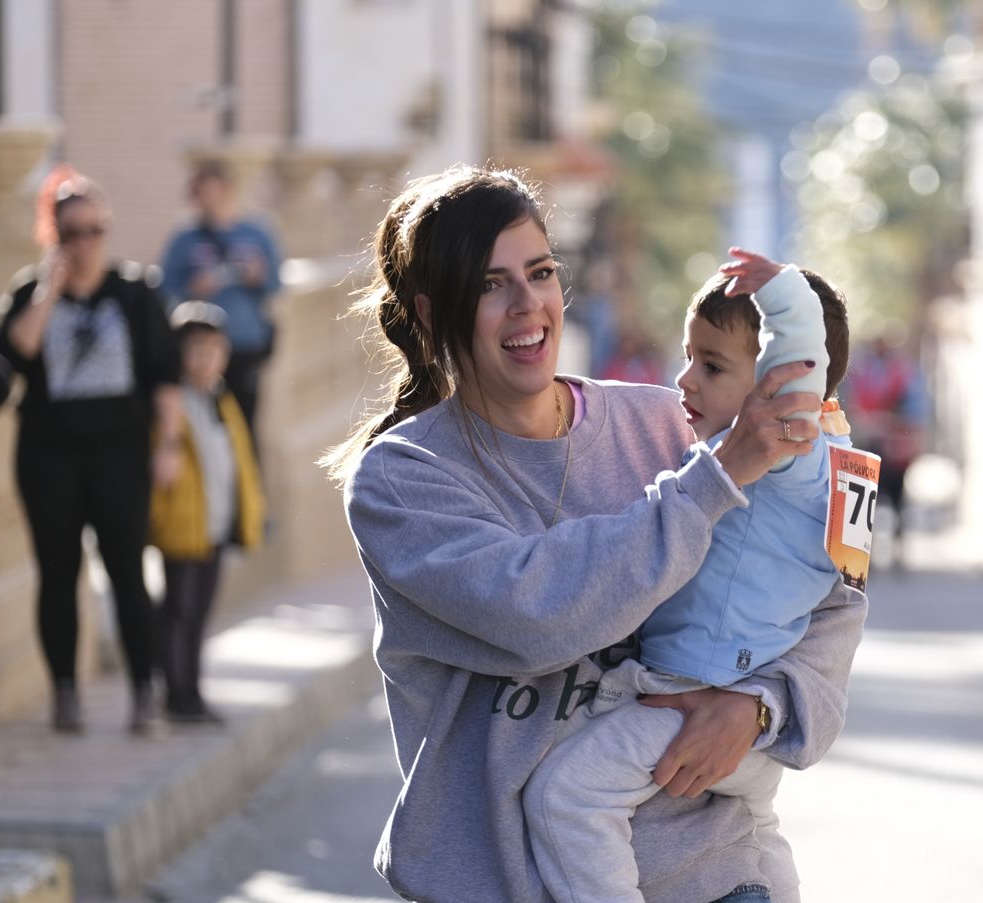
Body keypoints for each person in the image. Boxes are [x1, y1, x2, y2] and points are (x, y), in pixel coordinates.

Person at [322, 165, 866, 903]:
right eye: (490, 284)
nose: (527, 305)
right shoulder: (402, 478)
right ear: (429, 312)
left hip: (718, 877)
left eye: (540, 272)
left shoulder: (677, 421)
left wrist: (759, 705)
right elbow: (538, 613)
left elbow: (836, 595)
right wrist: (716, 477)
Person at [524, 249, 853, 903]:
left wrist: (784, 295)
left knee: (566, 794)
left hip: (691, 700)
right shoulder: (801, 463)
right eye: (688, 356)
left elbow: (801, 361)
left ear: (782, 386)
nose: (685, 380)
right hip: (736, 722)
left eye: (712, 365)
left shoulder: (791, 446)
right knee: (762, 829)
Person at [0, 165, 183, 734]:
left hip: (121, 454)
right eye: (70, 232)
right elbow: (15, 352)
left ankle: (143, 692)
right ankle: (65, 694)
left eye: (92, 230)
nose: (83, 243)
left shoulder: (135, 292)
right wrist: (51, 289)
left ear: (106, 229)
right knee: (57, 573)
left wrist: (167, 444)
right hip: (49, 456)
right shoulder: (30, 291)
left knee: (127, 571)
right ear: (52, 233)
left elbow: (164, 377)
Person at [149, 301, 266, 723]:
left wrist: (248, 514)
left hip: (215, 525)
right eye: (196, 350)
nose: (207, 359)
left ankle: (192, 692)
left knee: (199, 613)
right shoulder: (170, 404)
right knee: (178, 610)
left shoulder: (222, 399)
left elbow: (240, 462)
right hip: (183, 526)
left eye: (215, 350)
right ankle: (174, 694)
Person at [158, 161, 282, 439]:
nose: (206, 200)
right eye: (200, 193)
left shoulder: (257, 233)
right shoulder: (185, 239)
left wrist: (257, 276)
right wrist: (192, 289)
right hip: (199, 350)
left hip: (244, 346)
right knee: (203, 428)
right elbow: (165, 289)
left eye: (211, 191)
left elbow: (276, 285)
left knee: (244, 427)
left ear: (227, 191)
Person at [845, 330, 928, 559]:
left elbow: (915, 408)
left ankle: (896, 551)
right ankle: (861, 553)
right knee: (864, 501)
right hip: (869, 442)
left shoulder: (902, 372)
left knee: (896, 498)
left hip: (893, 445)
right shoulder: (864, 370)